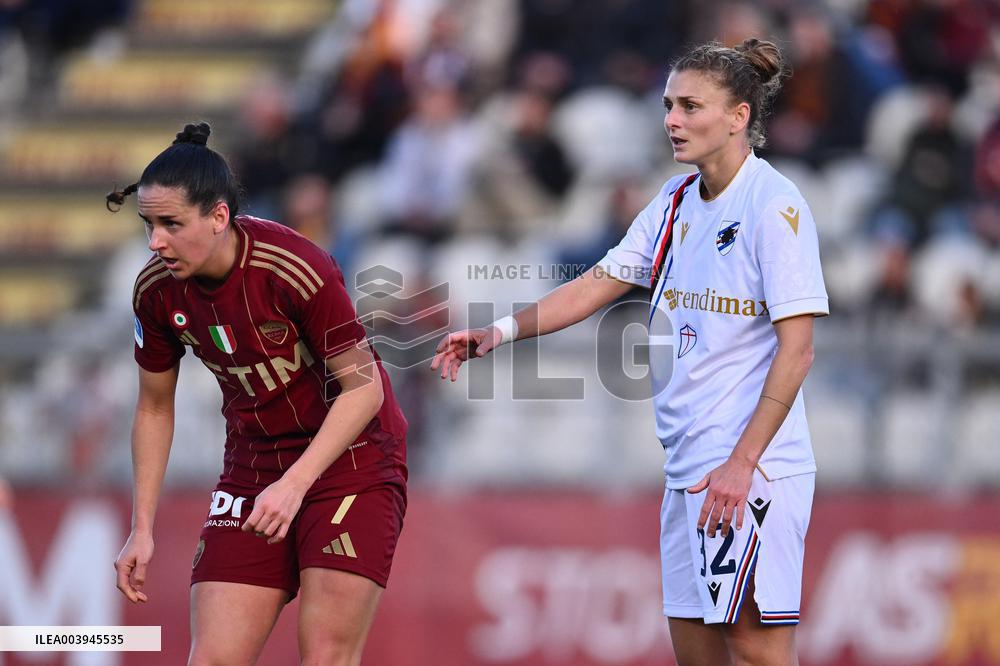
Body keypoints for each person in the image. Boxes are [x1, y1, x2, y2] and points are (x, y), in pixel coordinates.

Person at [432, 39, 828, 666]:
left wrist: (741, 464)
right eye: (669, 104)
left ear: (738, 116)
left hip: (751, 470)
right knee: (695, 651)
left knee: (758, 651)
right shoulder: (673, 203)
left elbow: (798, 351)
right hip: (688, 469)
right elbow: (596, 284)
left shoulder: (773, 206)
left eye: (690, 106)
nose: (671, 119)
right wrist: (499, 332)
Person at [109, 122, 407, 665]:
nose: (156, 242)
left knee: (324, 656)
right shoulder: (154, 291)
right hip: (253, 465)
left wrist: (296, 485)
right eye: (148, 224)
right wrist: (142, 528)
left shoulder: (294, 267)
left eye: (171, 224)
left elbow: (363, 389)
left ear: (219, 216)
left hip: (351, 459)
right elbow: (154, 406)